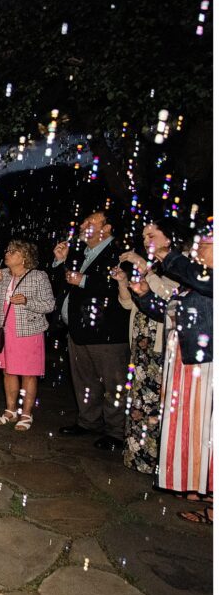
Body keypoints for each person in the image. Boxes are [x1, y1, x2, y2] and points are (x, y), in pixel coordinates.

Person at [131, 221, 213, 523]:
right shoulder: (193, 282)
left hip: (207, 364)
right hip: (182, 361)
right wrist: (143, 295)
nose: (200, 248)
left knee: (208, 428)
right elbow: (168, 310)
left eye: (206, 244)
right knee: (191, 427)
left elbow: (200, 281)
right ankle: (197, 486)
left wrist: (166, 254)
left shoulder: (206, 278)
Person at [49, 210, 129, 449]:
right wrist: (60, 262)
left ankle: (117, 432)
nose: (83, 225)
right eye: (84, 221)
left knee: (114, 384)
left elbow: (119, 285)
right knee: (85, 380)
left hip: (106, 332)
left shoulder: (120, 253)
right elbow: (61, 283)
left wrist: (83, 280)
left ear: (106, 228)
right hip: (77, 329)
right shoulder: (78, 253)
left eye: (90, 222)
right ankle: (88, 422)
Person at [110, 218, 183, 474]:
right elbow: (130, 304)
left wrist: (143, 268)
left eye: (151, 235)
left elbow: (168, 299)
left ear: (169, 238)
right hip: (140, 346)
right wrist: (122, 282)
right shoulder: (151, 267)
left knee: (157, 405)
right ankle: (138, 458)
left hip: (161, 348)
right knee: (140, 403)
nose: (145, 240)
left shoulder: (180, 267)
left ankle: (160, 464)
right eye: (143, 236)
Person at [0, 240, 55, 431]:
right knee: (8, 371)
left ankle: (26, 414)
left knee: (28, 375)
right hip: (5, 331)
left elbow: (49, 305)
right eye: (7, 250)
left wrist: (27, 301)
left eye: (13, 251)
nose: (7, 253)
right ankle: (10, 410)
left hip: (28, 332)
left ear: (24, 257)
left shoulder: (38, 276)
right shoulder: (2, 274)